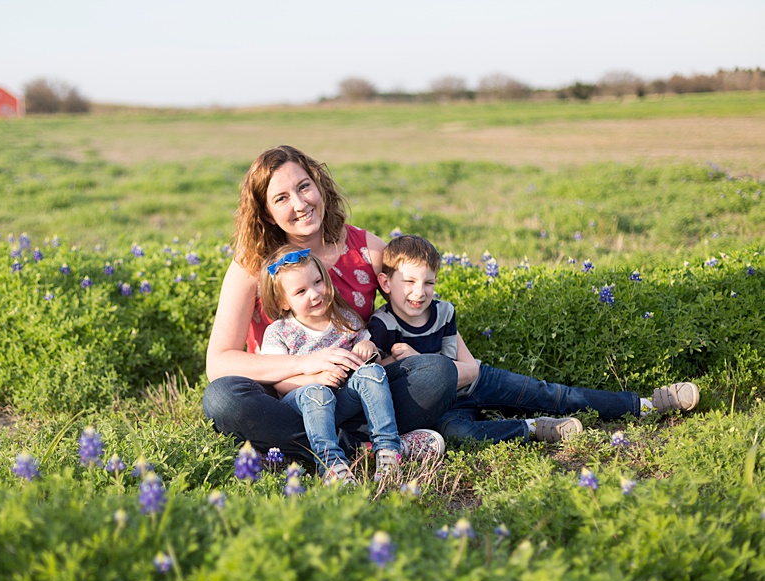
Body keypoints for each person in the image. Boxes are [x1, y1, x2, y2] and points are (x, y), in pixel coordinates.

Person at [202, 146, 454, 462]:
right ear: (266, 212)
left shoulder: (366, 249)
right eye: (281, 198)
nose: (300, 203)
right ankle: (364, 446)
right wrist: (306, 364)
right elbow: (220, 363)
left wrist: (466, 367)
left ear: (318, 185)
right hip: (286, 396)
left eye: (304, 186)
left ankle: (301, 450)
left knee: (437, 373)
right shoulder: (251, 264)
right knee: (223, 398)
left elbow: (423, 301)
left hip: (357, 389)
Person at [368, 235, 701, 444]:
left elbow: (464, 365)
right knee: (459, 435)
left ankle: (643, 404)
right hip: (445, 407)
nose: (419, 292)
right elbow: (376, 371)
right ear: (385, 283)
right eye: (408, 281)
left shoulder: (444, 311)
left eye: (428, 283)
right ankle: (532, 428)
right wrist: (411, 365)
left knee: (551, 393)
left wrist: (422, 361)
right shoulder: (382, 323)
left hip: (476, 381)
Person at [259, 245, 403, 482]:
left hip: (344, 400)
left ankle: (387, 450)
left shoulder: (344, 319)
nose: (314, 294)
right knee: (316, 392)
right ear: (283, 302)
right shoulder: (279, 332)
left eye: (317, 282)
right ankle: (333, 465)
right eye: (301, 291)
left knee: (374, 372)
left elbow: (373, 358)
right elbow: (278, 381)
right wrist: (313, 379)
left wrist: (370, 349)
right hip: (303, 404)